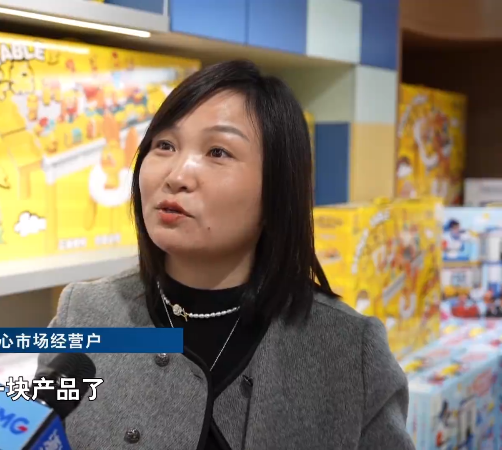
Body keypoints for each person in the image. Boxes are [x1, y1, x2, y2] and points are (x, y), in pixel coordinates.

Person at [37, 60, 413, 450]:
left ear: (278, 190)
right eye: (164, 145)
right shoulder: (84, 313)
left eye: (218, 152)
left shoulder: (349, 349)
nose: (177, 175)